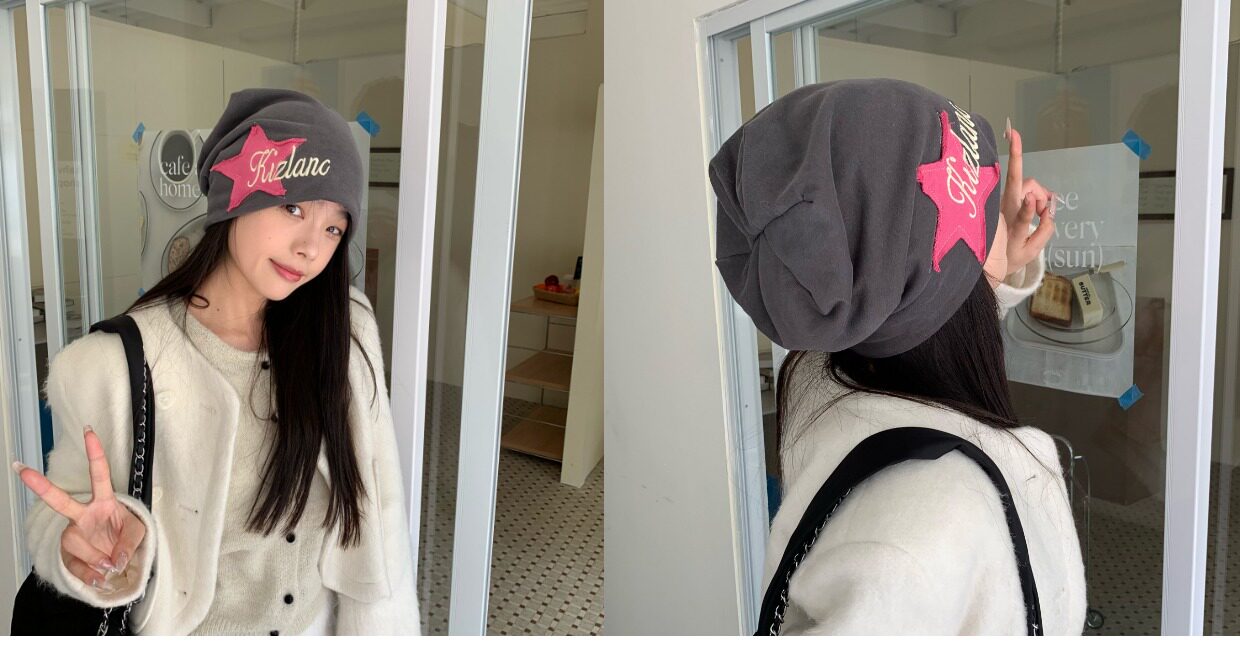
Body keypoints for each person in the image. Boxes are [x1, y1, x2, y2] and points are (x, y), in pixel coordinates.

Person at [12, 88, 420, 635]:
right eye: (293, 207)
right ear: (234, 200)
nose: (311, 248)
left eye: (333, 227)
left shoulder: (343, 333)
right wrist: (83, 552)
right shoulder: (113, 366)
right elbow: (70, 512)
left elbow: (380, 517)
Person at [709, 79, 1086, 634]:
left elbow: (917, 320)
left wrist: (982, 269)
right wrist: (979, 271)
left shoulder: (824, 369)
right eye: (978, 208)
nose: (992, 218)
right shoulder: (923, 530)